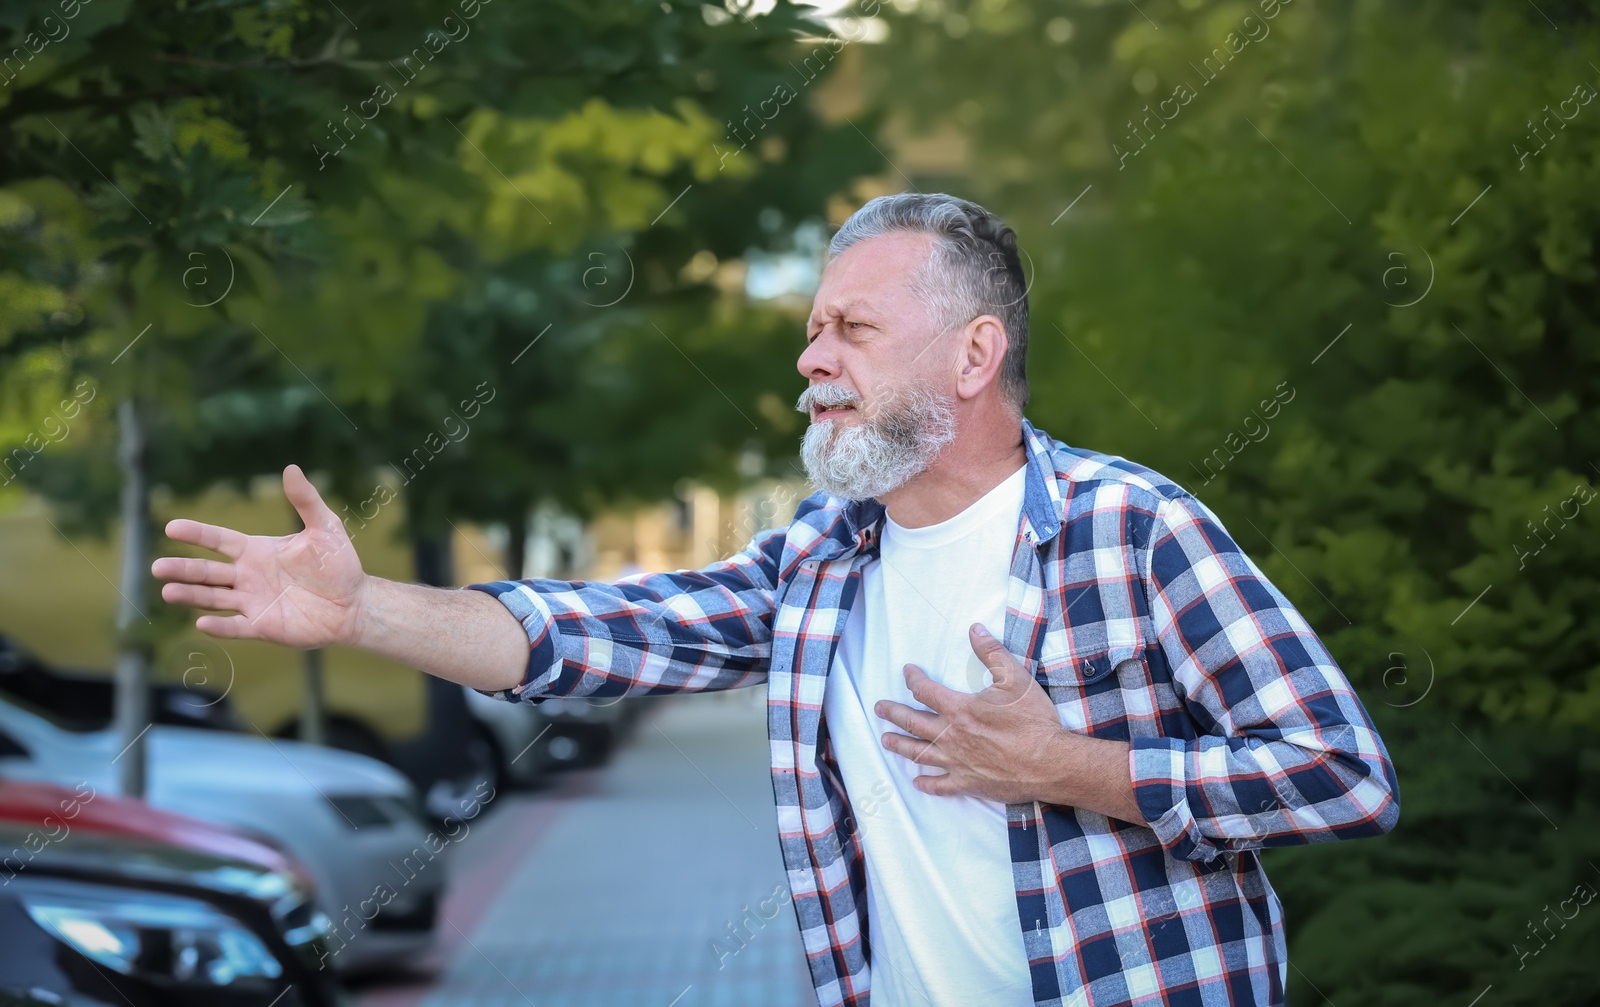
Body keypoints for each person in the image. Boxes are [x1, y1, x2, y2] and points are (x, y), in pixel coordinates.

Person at [153, 192, 1400, 1007]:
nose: (809, 359)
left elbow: (1341, 771)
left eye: (851, 327)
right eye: (812, 328)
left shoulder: (1132, 530)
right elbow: (595, 636)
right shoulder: (823, 558)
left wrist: (1076, 766)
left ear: (973, 355)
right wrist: (361, 610)